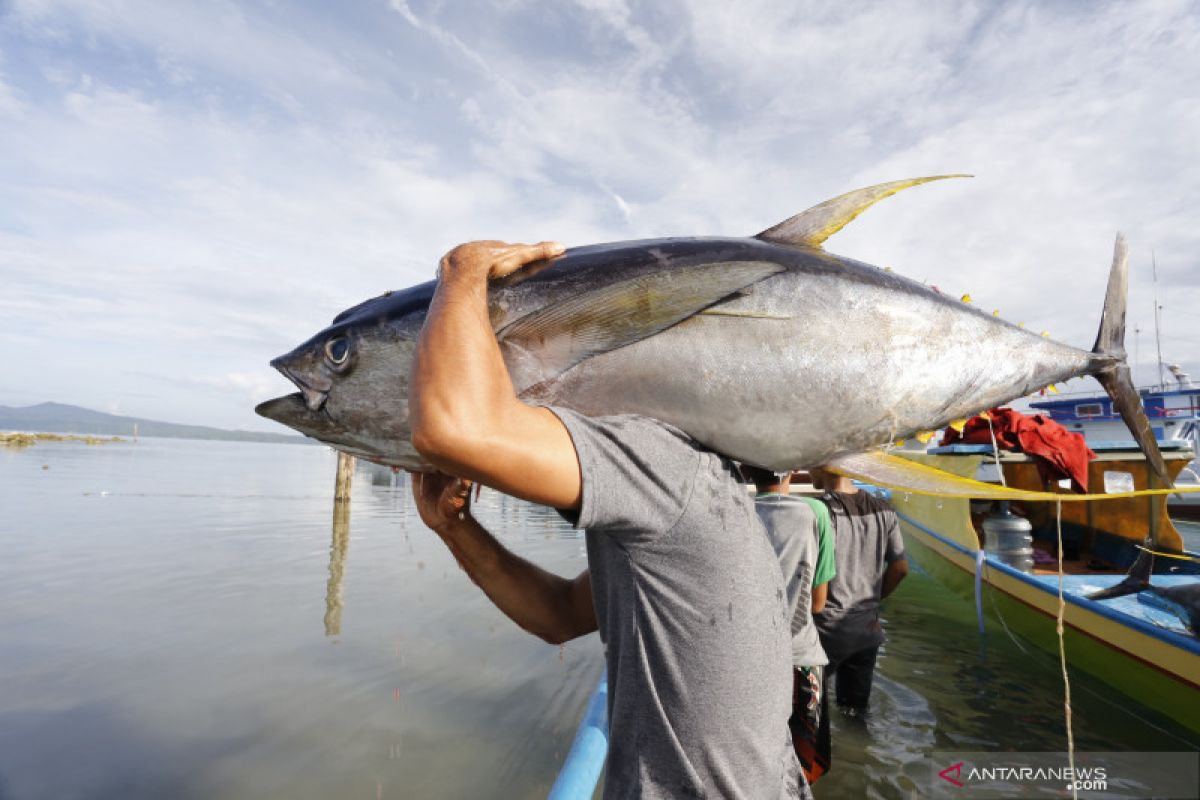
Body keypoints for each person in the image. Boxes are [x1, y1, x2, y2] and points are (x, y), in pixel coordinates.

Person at [407, 240, 806, 799]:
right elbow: (560, 614)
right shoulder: (695, 492)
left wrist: (459, 274)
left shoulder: (668, 465)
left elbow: (454, 427)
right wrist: (456, 527)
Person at [741, 465, 837, 785]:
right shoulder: (815, 512)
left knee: (752, 762)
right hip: (801, 660)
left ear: (744, 468)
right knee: (802, 768)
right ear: (794, 470)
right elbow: (819, 603)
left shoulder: (737, 513)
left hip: (749, 660)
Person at [809, 466, 908, 712]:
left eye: (811, 462)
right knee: (855, 714)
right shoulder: (884, 509)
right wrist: (872, 601)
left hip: (825, 630)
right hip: (867, 631)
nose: (808, 470)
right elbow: (901, 567)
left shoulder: (818, 511)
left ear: (825, 465)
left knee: (809, 714)